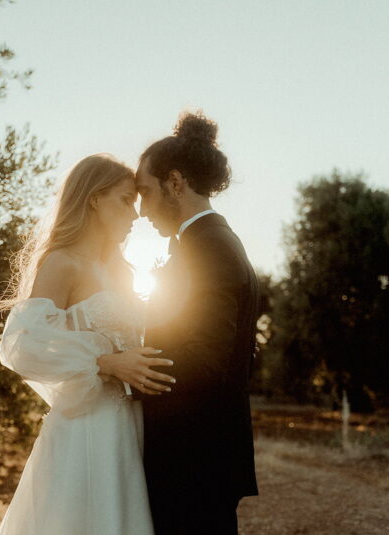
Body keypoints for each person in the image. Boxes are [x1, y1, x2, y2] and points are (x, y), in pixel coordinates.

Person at [0, 153, 175, 535]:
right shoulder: (62, 263)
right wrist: (105, 364)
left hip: (128, 424)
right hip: (86, 426)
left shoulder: (119, 270)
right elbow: (21, 344)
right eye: (126, 200)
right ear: (94, 198)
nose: (135, 215)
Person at [130, 111, 260, 534]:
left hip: (194, 456)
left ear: (175, 182)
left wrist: (125, 377)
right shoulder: (207, 241)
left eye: (145, 193)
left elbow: (206, 360)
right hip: (196, 452)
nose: (142, 210)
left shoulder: (209, 248)